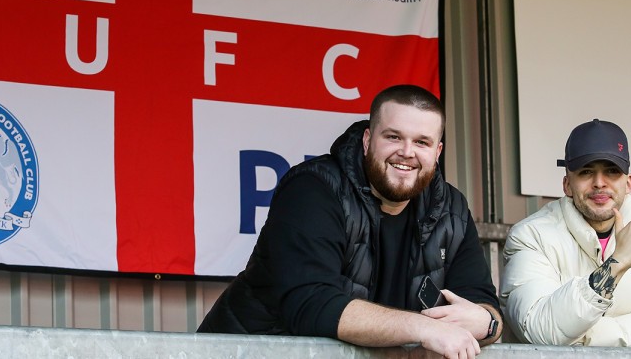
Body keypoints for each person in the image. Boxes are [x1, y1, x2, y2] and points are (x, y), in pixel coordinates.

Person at [199, 85, 501, 358]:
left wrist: (487, 322)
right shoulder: (314, 189)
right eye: (394, 136)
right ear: (368, 140)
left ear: (437, 152)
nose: (407, 152)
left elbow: (487, 307)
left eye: (421, 142)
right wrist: (425, 328)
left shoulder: (451, 208)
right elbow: (310, 304)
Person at [500, 119, 631, 347]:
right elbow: (540, 329)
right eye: (586, 172)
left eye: (611, 171)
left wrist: (582, 339)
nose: (599, 183)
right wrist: (617, 264)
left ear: (629, 183)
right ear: (567, 185)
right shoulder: (531, 235)